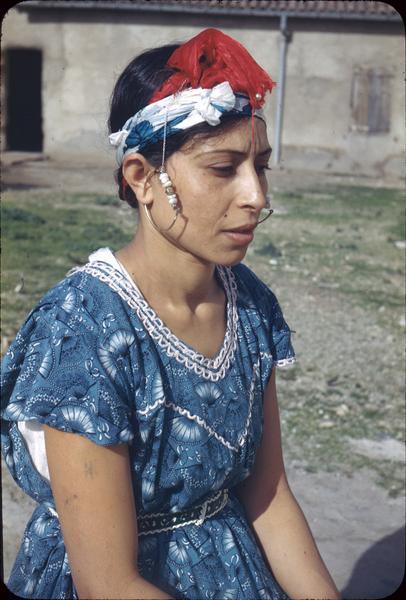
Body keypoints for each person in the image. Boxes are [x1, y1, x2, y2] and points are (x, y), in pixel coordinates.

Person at [1, 28, 340, 600]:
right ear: (142, 178)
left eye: (261, 166)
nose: (255, 196)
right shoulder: (84, 332)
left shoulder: (249, 304)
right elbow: (109, 582)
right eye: (223, 168)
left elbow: (269, 495)